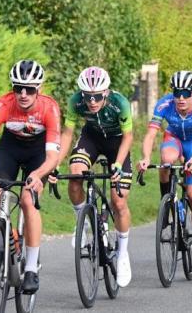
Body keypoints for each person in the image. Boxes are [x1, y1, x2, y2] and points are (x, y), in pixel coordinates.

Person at [0, 60, 60, 294]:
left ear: (40, 89)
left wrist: (37, 175)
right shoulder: (4, 104)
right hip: (11, 149)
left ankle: (31, 268)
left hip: (38, 154)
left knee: (28, 200)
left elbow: (53, 156)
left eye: (29, 89)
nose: (23, 94)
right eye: (18, 88)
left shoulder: (49, 108)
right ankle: (1, 248)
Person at [54, 66, 134, 287]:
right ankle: (83, 222)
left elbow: (128, 136)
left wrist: (117, 164)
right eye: (87, 96)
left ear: (106, 92)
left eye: (97, 96)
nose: (92, 101)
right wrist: (56, 162)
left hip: (117, 143)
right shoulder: (75, 101)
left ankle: (123, 253)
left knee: (119, 201)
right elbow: (68, 132)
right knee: (75, 174)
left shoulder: (120, 103)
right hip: (91, 138)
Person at [138, 71, 192, 272]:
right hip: (174, 137)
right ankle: (167, 203)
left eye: (186, 93)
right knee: (166, 160)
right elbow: (151, 135)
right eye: (177, 93)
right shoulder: (164, 104)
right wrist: (145, 157)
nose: (180, 98)